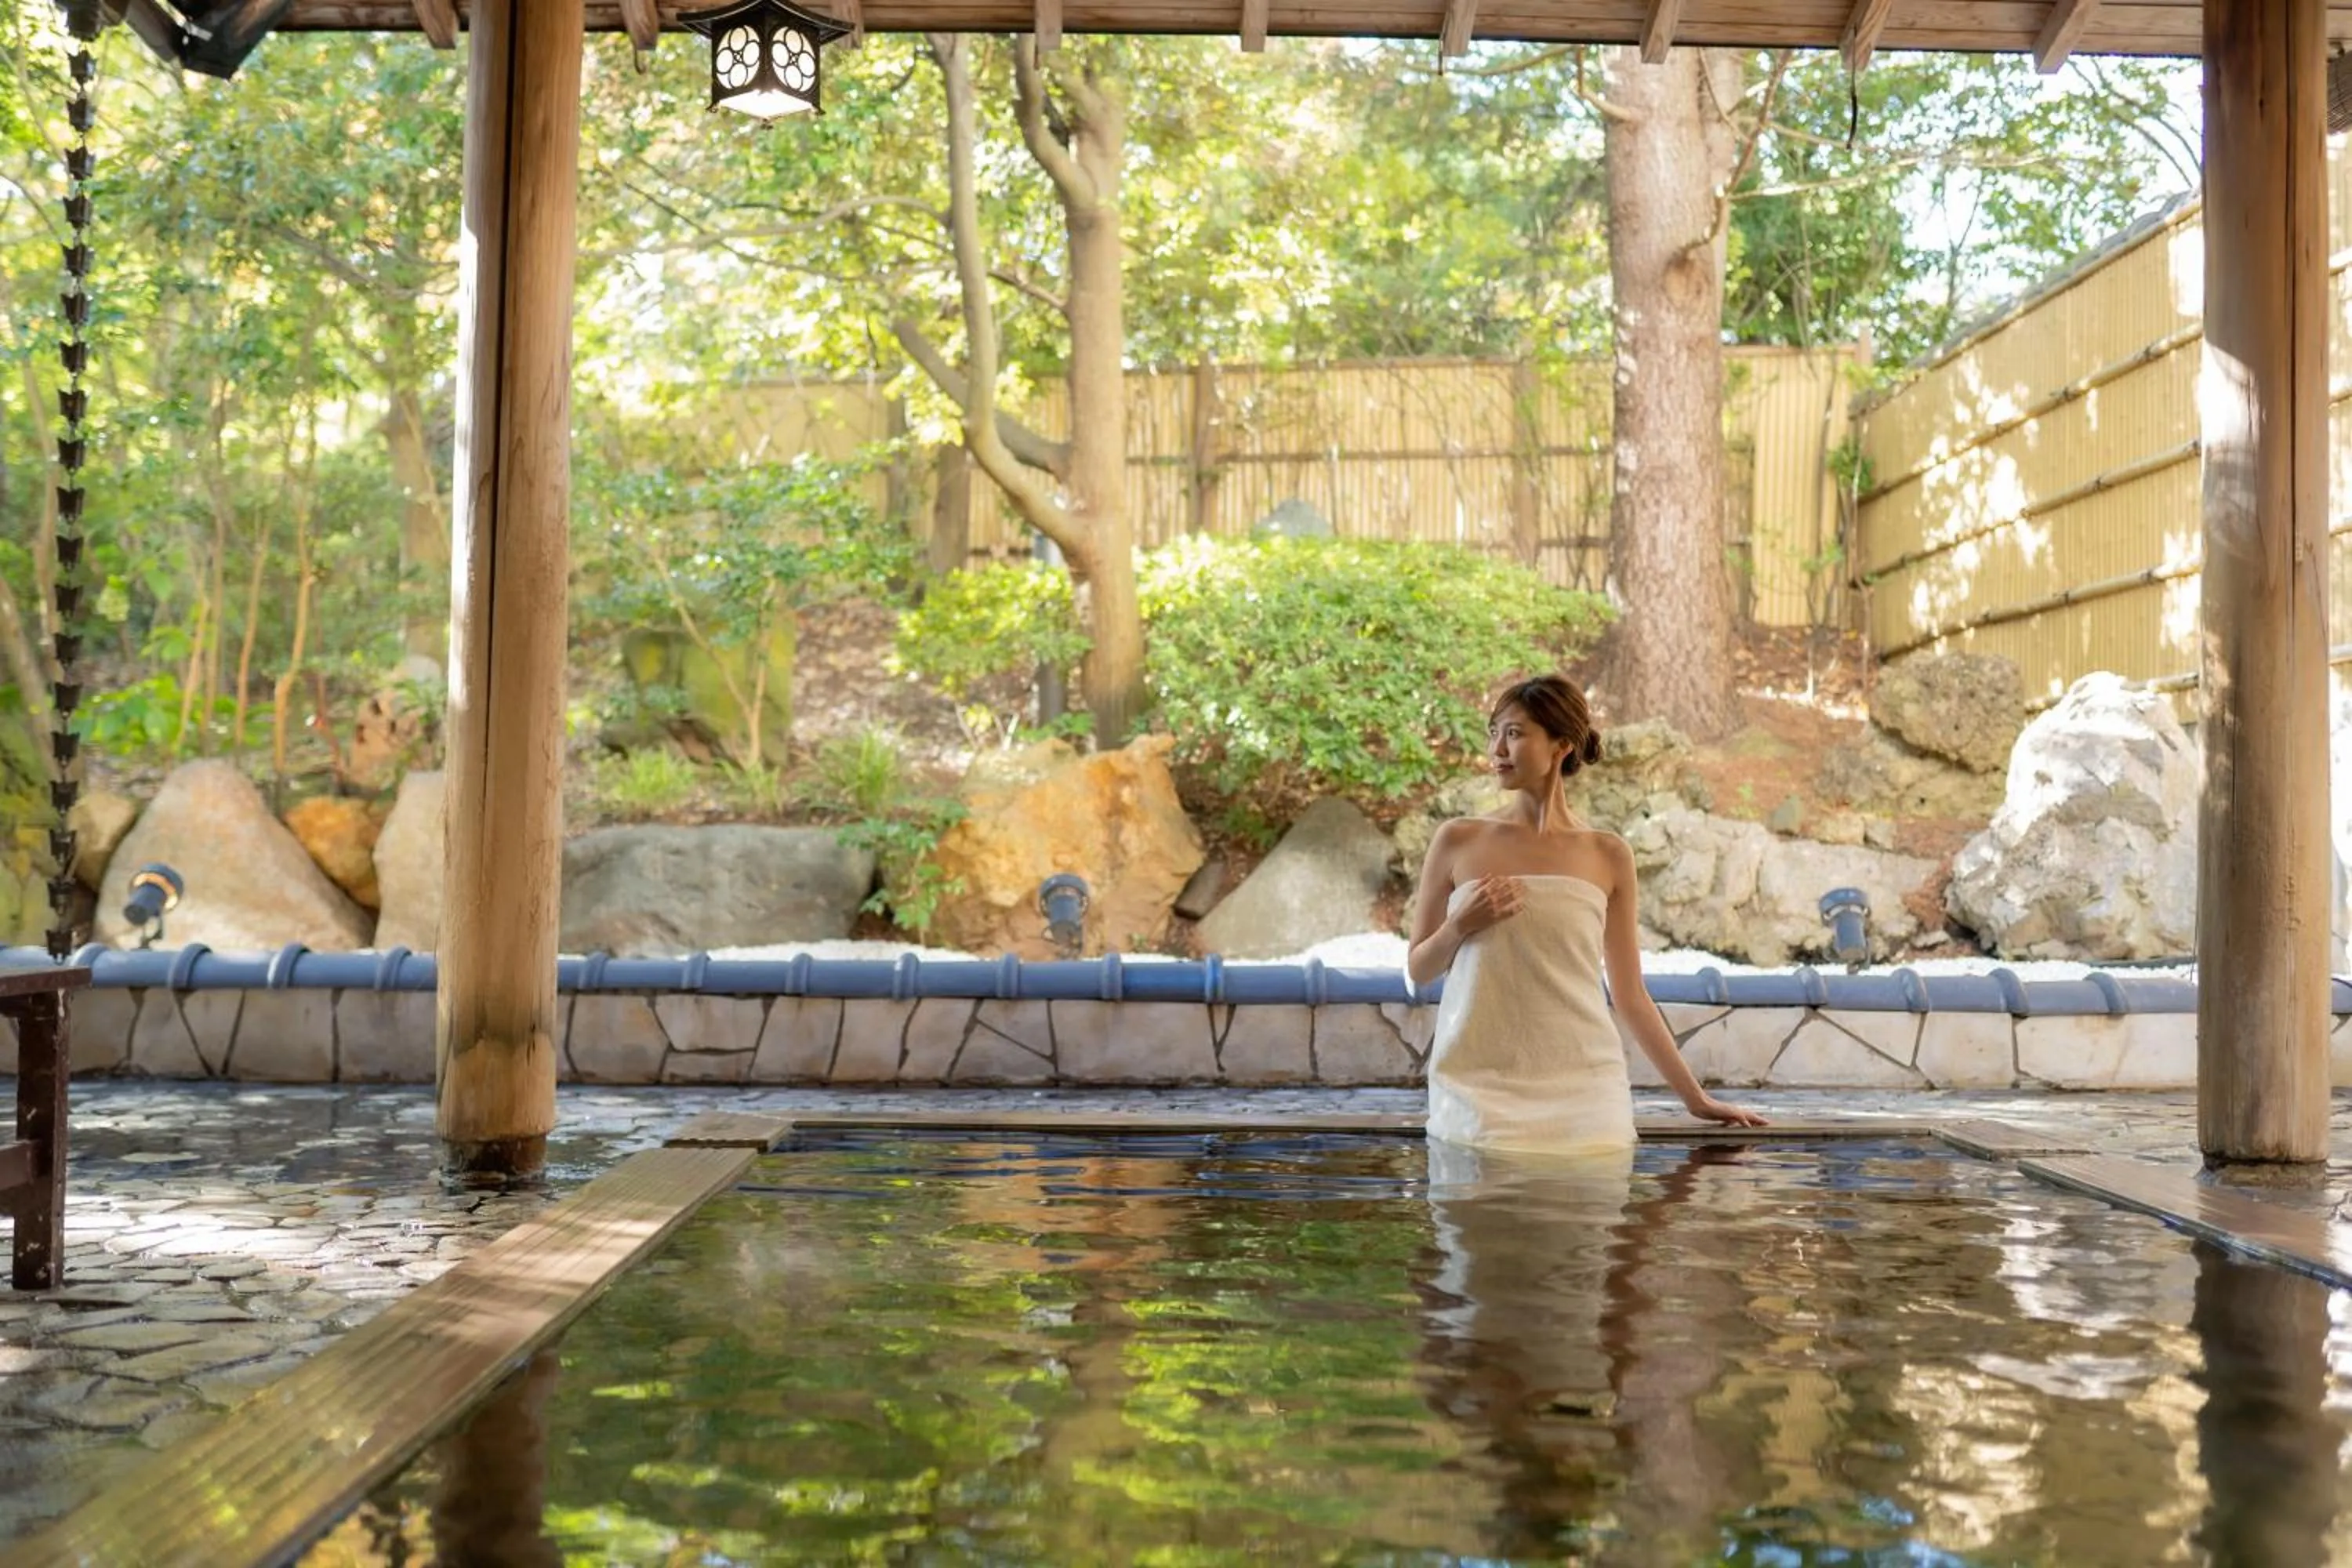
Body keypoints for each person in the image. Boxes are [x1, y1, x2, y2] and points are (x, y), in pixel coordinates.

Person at [1406, 674, 1767, 1151]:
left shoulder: (1608, 855)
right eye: (1494, 732)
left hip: (1586, 1092)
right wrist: (1459, 926)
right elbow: (1418, 971)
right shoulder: (1458, 840)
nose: (1497, 749)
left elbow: (1630, 994)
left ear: (1562, 745)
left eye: (1514, 734)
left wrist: (1696, 1099)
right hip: (1477, 1090)